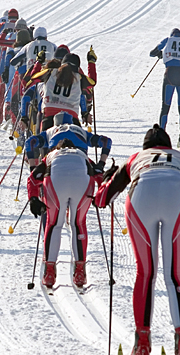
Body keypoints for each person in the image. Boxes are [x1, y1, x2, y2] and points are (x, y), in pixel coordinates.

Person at [95, 124, 180, 355]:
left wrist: (105, 180)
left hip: (141, 194)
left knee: (145, 273)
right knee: (175, 276)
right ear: (168, 145)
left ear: (146, 146)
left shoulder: (135, 158)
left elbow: (101, 200)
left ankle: (142, 344)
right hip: (177, 195)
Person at [25, 113, 111, 287]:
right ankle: (79, 271)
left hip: (55, 176)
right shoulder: (83, 149)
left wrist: (33, 197)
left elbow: (32, 176)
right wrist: (102, 189)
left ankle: (49, 272)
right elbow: (101, 176)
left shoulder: (51, 144)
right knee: (78, 223)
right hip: (82, 175)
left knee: (53, 223)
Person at [149, 28, 180, 150]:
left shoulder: (167, 40)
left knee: (165, 106)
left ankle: (160, 136)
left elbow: (152, 53)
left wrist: (161, 54)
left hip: (170, 74)